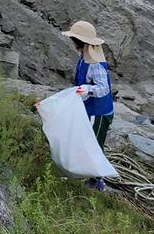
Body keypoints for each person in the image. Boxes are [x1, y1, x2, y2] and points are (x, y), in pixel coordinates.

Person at [62, 20, 114, 191]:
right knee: (85, 140)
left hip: (98, 112)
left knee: (94, 144)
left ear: (80, 42)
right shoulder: (85, 56)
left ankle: (97, 181)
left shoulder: (95, 63)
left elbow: (103, 88)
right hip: (89, 108)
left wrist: (87, 89)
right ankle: (85, 173)